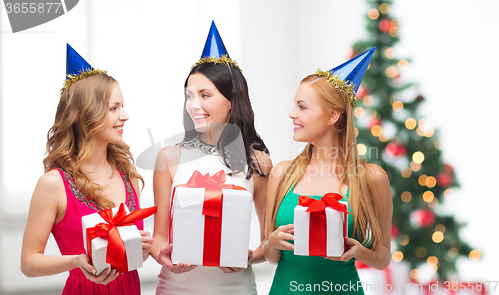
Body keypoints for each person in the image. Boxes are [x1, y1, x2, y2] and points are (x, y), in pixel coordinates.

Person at [20, 44, 153, 295]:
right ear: (83, 115)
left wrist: (142, 251)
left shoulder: (129, 177)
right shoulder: (53, 184)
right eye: (114, 108)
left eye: (122, 106)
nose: (125, 115)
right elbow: (28, 263)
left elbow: (128, 259)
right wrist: (76, 262)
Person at [151, 21, 272, 295]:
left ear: (232, 100)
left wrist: (250, 257)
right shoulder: (169, 157)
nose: (194, 105)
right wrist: (163, 255)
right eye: (189, 96)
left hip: (236, 288)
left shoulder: (258, 162)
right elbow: (159, 237)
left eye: (206, 95)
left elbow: (269, 241)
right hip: (176, 289)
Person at [263, 48, 393, 294]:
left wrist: (360, 252)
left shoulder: (372, 178)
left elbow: (383, 257)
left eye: (302, 107)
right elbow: (271, 256)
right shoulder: (281, 174)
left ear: (333, 115)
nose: (292, 114)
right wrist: (271, 242)